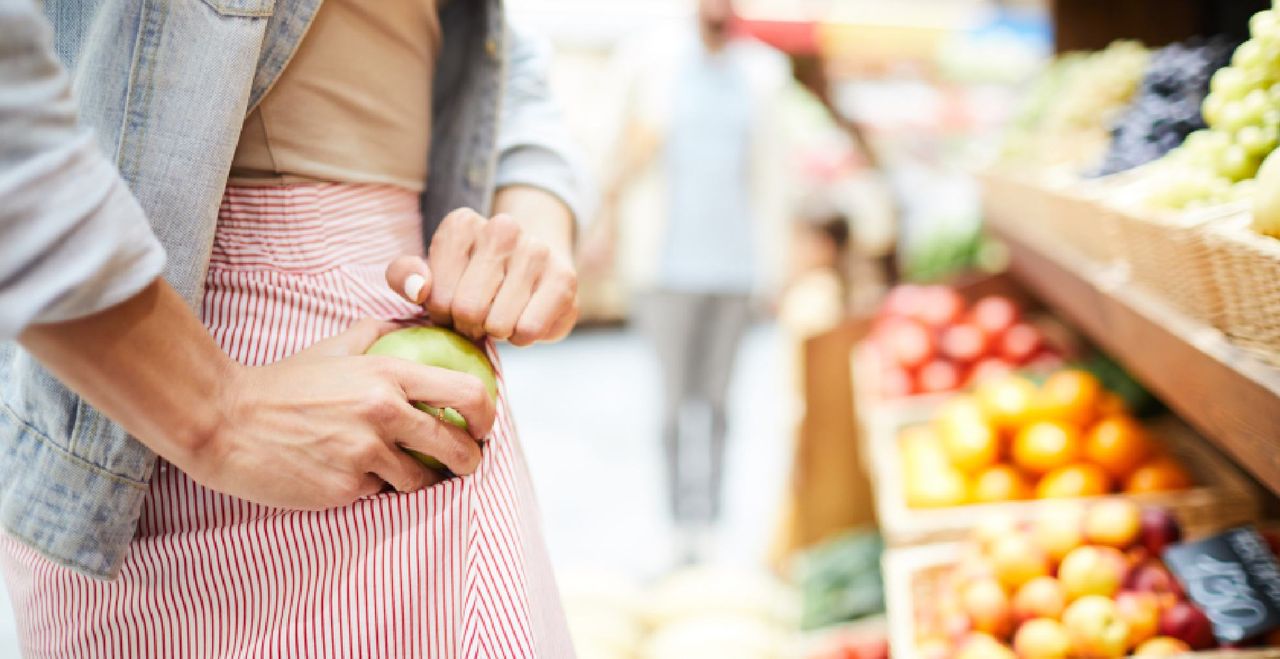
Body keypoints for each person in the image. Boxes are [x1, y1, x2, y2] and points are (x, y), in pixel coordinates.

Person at [0, 0, 584, 655]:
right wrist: (212, 407)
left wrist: (534, 228)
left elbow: (505, 54)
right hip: (164, 372)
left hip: (391, 393)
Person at [585, 0, 789, 561]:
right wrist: (603, 224)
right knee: (675, 406)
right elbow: (612, 151)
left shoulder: (764, 74)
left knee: (721, 404)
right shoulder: (648, 62)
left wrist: (777, 270)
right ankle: (679, 525)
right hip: (665, 267)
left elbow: (774, 179)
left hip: (736, 268)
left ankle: (713, 524)